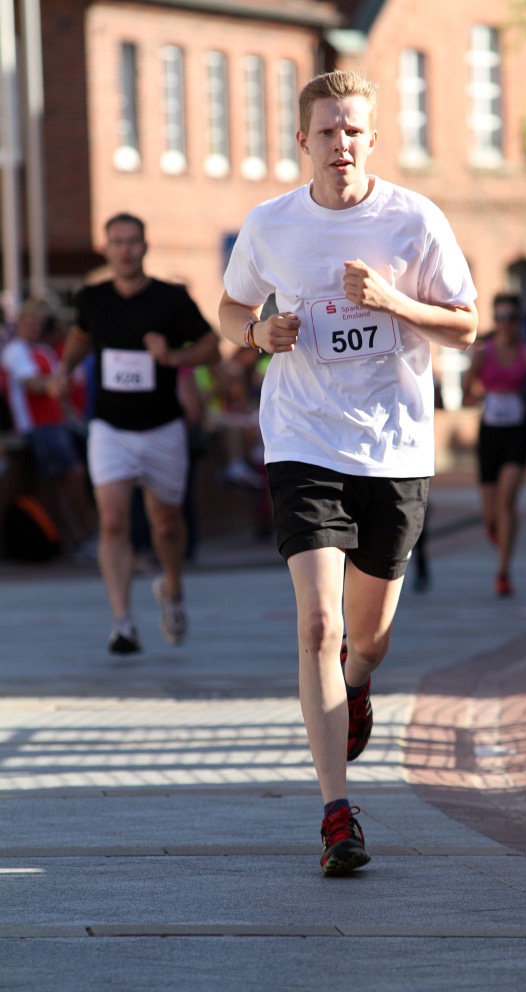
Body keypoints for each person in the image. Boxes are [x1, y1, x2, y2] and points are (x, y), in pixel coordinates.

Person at [217, 70, 477, 876]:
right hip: (303, 442)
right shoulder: (270, 223)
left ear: (372, 138)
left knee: (366, 640)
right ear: (303, 140)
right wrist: (257, 335)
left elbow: (465, 326)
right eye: (327, 131)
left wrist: (396, 303)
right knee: (318, 628)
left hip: (393, 450)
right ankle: (337, 813)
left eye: (353, 130)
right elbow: (230, 309)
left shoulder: (413, 219)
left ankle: (357, 683)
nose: (341, 144)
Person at [55, 213, 219, 654]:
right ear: (106, 249)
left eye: (132, 242)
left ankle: (172, 589)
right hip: (109, 427)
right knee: (112, 520)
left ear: (145, 247)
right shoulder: (92, 297)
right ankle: (122, 622)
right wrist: (64, 370)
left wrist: (171, 358)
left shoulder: (171, 298)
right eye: (117, 242)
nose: (125, 250)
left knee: (166, 523)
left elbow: (211, 350)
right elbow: (81, 336)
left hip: (163, 426)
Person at [462, 292, 526, 596]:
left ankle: (503, 572)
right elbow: (467, 393)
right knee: (490, 513)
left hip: (517, 433)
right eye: (498, 318)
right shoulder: (483, 354)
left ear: (519, 321)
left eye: (509, 318)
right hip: (490, 433)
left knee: (507, 499)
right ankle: (497, 529)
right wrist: (479, 395)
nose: (504, 324)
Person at [1, 298, 97, 556]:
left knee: (76, 476)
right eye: (29, 322)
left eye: (38, 323)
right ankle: (80, 537)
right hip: (37, 426)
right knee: (69, 477)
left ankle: (83, 535)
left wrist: (74, 417)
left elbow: (61, 389)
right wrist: (51, 386)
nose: (34, 328)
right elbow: (32, 383)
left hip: (58, 423)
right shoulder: (16, 351)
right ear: (20, 323)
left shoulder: (44, 350)